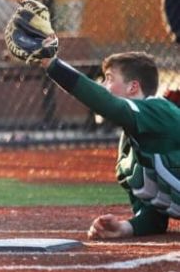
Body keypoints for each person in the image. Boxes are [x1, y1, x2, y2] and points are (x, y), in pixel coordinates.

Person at [34, 52, 180, 239]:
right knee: (137, 174)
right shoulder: (128, 151)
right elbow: (154, 219)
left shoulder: (160, 110)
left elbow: (109, 104)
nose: (103, 86)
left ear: (133, 87)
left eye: (109, 79)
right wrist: (124, 227)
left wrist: (53, 64)